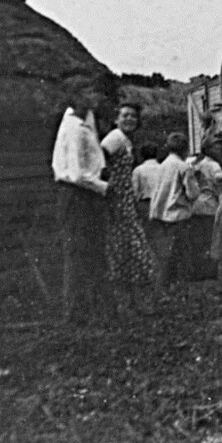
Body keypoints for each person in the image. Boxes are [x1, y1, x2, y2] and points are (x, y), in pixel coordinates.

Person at [51, 88, 115, 323]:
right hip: (79, 195)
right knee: (82, 255)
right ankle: (80, 313)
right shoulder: (75, 130)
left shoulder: (80, 120)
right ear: (77, 97)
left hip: (82, 193)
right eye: (89, 94)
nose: (96, 98)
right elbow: (78, 174)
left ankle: (94, 310)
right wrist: (104, 187)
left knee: (88, 253)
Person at [100, 103, 157, 315]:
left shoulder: (125, 139)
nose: (129, 119)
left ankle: (133, 304)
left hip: (125, 202)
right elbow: (99, 158)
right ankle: (128, 304)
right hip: (117, 202)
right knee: (129, 251)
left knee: (131, 251)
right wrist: (108, 182)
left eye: (133, 116)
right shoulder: (114, 137)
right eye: (125, 115)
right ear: (117, 119)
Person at [148, 132, 200, 292]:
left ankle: (162, 289)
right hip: (178, 216)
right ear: (185, 149)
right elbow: (193, 193)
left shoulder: (161, 165)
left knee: (165, 256)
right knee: (182, 257)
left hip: (160, 215)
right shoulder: (183, 167)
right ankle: (180, 290)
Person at [131, 142, 162, 224]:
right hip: (161, 204)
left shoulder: (138, 170)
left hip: (145, 205)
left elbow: (134, 192)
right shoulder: (163, 168)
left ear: (142, 155)